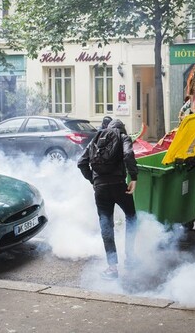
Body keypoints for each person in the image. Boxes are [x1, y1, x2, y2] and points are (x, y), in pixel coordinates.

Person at [78, 119, 138, 280]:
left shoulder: (96, 138)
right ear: (122, 129)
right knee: (131, 217)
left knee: (106, 225)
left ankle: (112, 268)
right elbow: (127, 154)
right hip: (119, 186)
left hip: (101, 189)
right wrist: (134, 177)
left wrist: (93, 180)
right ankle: (130, 258)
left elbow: (81, 162)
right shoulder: (123, 137)